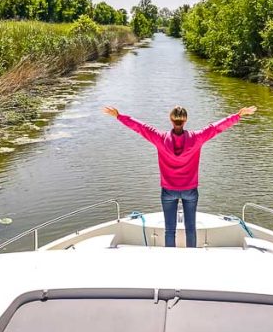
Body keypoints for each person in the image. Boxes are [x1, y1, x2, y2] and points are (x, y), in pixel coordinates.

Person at [102, 104, 257, 248]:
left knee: (170, 230)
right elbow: (216, 128)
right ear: (185, 120)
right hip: (190, 190)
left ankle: (171, 257)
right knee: (191, 228)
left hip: (168, 191)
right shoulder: (197, 138)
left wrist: (119, 116)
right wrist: (237, 115)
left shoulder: (160, 138)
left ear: (171, 120)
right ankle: (190, 256)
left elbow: (141, 128)